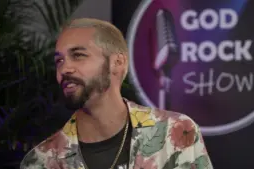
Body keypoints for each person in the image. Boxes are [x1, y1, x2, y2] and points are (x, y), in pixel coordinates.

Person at [20, 18, 213, 169]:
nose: (65, 69)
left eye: (78, 55)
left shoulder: (177, 132)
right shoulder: (42, 160)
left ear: (117, 63)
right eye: (59, 61)